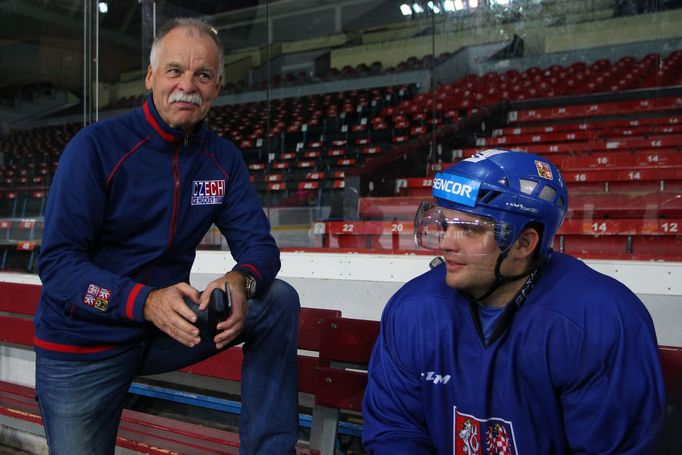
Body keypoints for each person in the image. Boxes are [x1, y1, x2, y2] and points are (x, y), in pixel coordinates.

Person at [34, 17, 300, 454]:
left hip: (169, 330)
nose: (187, 85)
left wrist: (241, 280)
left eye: (203, 75)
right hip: (85, 342)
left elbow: (259, 248)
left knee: (276, 301)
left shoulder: (221, 159)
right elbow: (58, 266)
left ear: (217, 87)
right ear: (151, 77)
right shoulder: (95, 148)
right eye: (175, 71)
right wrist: (144, 302)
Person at [362, 149, 666, 454]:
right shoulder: (412, 309)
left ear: (523, 243)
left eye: (468, 229)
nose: (445, 243)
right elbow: (395, 429)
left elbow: (616, 449)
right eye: (444, 224)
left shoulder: (599, 319)